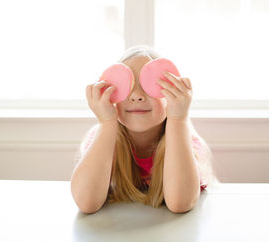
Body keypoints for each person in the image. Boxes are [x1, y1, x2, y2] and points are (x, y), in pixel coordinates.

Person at [70, 44, 219, 214]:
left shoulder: (187, 141)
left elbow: (180, 203)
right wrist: (107, 123)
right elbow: (86, 202)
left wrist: (178, 118)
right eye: (127, 86)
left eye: (149, 85)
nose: (137, 95)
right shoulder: (101, 137)